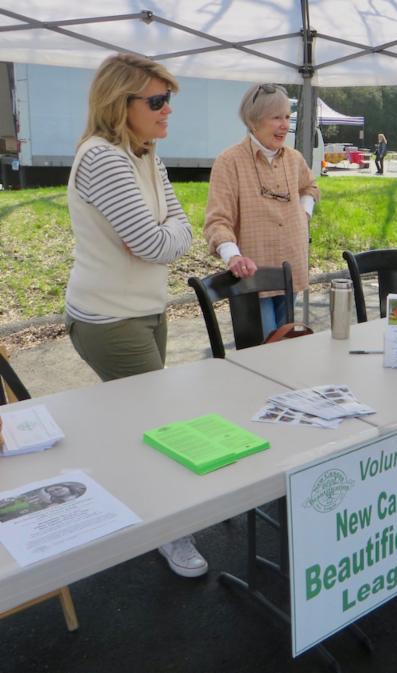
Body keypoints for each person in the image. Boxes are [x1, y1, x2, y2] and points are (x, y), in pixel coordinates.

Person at [65, 53, 205, 579]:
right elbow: (153, 240)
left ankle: (136, 508)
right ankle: (169, 531)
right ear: (118, 102)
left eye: (169, 99)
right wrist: (157, 235)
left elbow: (175, 233)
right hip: (110, 319)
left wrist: (157, 235)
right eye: (157, 100)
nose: (168, 110)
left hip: (145, 309)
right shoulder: (102, 157)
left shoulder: (146, 152)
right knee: (160, 424)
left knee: (142, 422)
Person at [204, 84, 319, 337]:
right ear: (254, 121)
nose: (284, 125)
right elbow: (217, 221)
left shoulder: (294, 159)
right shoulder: (229, 161)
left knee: (287, 345)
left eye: (287, 117)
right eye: (276, 117)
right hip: (253, 276)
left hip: (292, 268)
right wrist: (232, 256)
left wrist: (304, 213)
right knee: (263, 347)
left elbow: (310, 187)